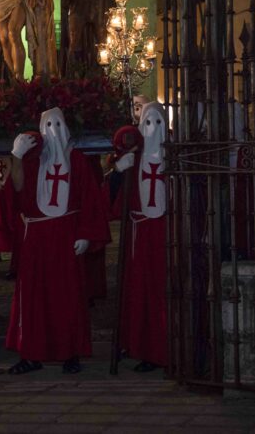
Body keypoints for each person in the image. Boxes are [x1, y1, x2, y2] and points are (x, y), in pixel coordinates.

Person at [6, 107, 110, 375]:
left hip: (66, 235)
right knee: (34, 296)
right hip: (37, 237)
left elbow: (89, 197)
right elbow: (17, 188)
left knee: (68, 295)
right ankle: (31, 353)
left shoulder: (76, 160)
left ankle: (70, 352)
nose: (54, 131)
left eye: (58, 124)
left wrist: (85, 233)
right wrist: (16, 156)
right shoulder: (33, 160)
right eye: (48, 125)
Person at [111, 102, 168, 372]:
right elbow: (111, 196)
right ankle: (137, 345)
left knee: (161, 292)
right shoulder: (134, 155)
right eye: (147, 123)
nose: (153, 129)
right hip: (139, 233)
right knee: (137, 292)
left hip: (164, 235)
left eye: (158, 123)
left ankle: (161, 350)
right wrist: (119, 170)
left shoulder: (174, 157)